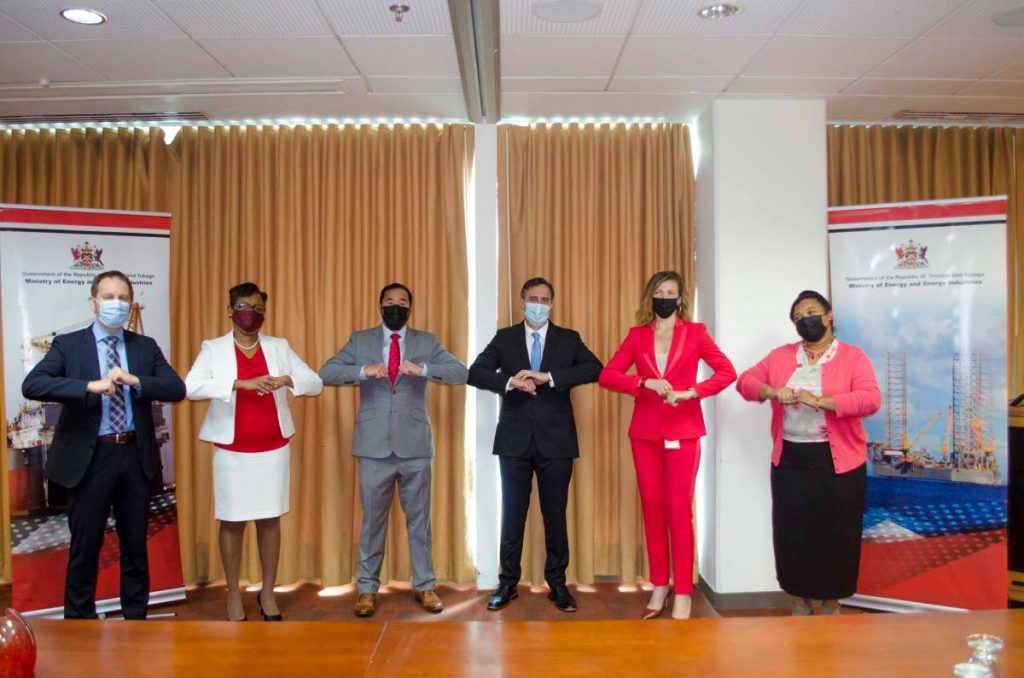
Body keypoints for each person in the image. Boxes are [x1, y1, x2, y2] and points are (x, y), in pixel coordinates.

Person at [21, 270, 186, 620]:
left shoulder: (145, 346)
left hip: (132, 456)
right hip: (89, 458)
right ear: (92, 302)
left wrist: (135, 380)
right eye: (109, 297)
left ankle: (136, 620)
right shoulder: (69, 345)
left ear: (131, 303)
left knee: (135, 548)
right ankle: (79, 623)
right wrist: (88, 387)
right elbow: (33, 384)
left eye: (123, 298)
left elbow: (176, 389)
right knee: (85, 547)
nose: (116, 304)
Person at [319, 283, 468, 617]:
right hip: (372, 446)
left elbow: (461, 371)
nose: (395, 307)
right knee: (372, 521)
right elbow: (326, 372)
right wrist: (362, 371)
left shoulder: (426, 342)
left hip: (415, 445)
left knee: (420, 521)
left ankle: (425, 586)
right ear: (380, 306)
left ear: (410, 308)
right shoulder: (361, 340)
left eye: (402, 302)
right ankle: (367, 589)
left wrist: (424, 369)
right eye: (390, 302)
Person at [598, 270, 735, 620]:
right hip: (644, 434)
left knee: (678, 510)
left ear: (680, 298)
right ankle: (660, 585)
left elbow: (726, 372)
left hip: (683, 431)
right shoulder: (636, 335)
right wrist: (642, 382)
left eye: (671, 292)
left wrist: (693, 392)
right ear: (650, 297)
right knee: (653, 510)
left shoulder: (696, 333)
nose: (665, 298)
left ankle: (684, 592)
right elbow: (608, 375)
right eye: (659, 292)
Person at [184, 282, 322, 622]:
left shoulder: (278, 347)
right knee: (232, 521)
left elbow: (314, 381)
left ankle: (268, 592)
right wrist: (237, 384)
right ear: (230, 310)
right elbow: (189, 387)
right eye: (245, 307)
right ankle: (233, 593)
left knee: (269, 520)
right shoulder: (213, 348)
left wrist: (286, 379)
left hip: (273, 447)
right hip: (232, 450)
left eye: (259, 309)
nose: (252, 314)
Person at [736, 290, 880, 616]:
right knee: (792, 533)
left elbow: (870, 399)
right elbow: (745, 382)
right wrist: (771, 391)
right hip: (791, 461)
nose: (806, 319)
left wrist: (819, 401)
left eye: (812, 312)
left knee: (836, 533)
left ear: (829, 317)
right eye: (799, 317)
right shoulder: (781, 356)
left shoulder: (852, 357)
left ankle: (831, 601)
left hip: (838, 463)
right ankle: (798, 598)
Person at [468, 277, 602, 613]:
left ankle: (557, 584)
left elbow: (595, 368)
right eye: (532, 298)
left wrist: (551, 377)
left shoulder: (568, 339)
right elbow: (476, 371)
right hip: (514, 442)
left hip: (557, 443)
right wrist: (510, 381)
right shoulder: (505, 337)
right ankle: (508, 583)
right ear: (522, 301)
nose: (538, 304)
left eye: (544, 299)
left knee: (554, 515)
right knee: (513, 514)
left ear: (552, 304)